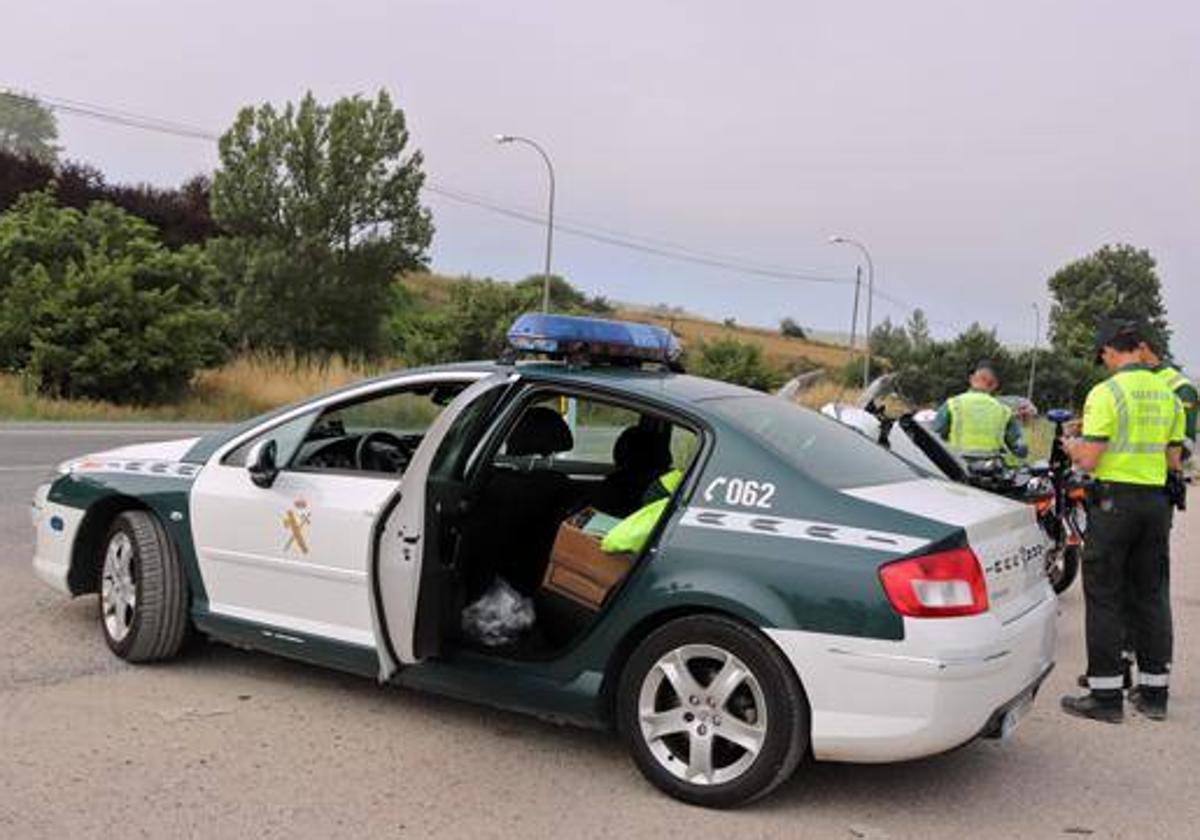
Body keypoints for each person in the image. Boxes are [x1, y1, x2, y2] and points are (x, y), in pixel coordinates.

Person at [1060, 320, 1185, 723]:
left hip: (1115, 504)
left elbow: (1090, 460)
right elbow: (1173, 461)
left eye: (1104, 356)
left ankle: (1106, 696)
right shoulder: (1168, 395)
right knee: (1150, 595)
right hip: (1155, 505)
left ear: (1112, 351)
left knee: (1104, 595)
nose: (1105, 363)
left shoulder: (1106, 392)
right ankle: (1153, 694)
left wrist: (1072, 447)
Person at [932, 359, 1028, 460]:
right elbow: (1019, 448)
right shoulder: (1004, 411)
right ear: (995, 384)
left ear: (971, 379)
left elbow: (934, 438)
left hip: (958, 466)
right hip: (990, 469)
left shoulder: (953, 405)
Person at [1139, 337, 1197, 463]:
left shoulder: (1182, 388)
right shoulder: (1128, 381)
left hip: (1162, 471)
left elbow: (1186, 443)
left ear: (1143, 349)